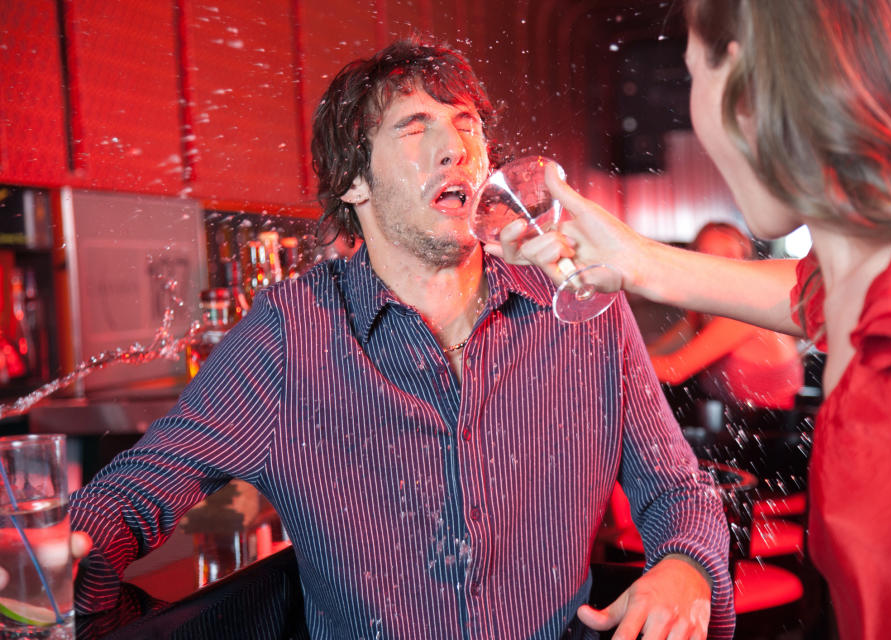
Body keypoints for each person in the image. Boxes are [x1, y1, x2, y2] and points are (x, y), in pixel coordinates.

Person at [68, 40, 735, 639]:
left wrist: (687, 564)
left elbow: (678, 489)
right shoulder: (289, 336)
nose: (457, 149)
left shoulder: (580, 306)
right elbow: (122, 503)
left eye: (467, 125)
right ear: (354, 181)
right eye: (416, 128)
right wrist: (46, 577)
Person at [492, 1, 891, 639]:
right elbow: (808, 294)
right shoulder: (875, 277)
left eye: (692, 77)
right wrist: (637, 259)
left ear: (742, 84)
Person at [646, 222, 802, 412]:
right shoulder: (704, 313)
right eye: (708, 256)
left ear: (746, 260)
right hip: (735, 422)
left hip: (769, 431)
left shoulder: (745, 311)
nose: (719, 266)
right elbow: (656, 351)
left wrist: (611, 363)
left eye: (728, 256)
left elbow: (674, 370)